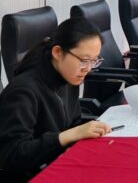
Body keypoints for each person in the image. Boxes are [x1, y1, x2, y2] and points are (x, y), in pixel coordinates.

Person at [0, 18, 113, 181]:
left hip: (59, 163)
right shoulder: (23, 91)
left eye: (94, 61)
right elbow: (12, 156)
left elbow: (73, 122)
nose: (88, 69)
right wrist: (68, 136)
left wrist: (89, 129)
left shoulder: (69, 76)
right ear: (58, 52)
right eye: (84, 60)